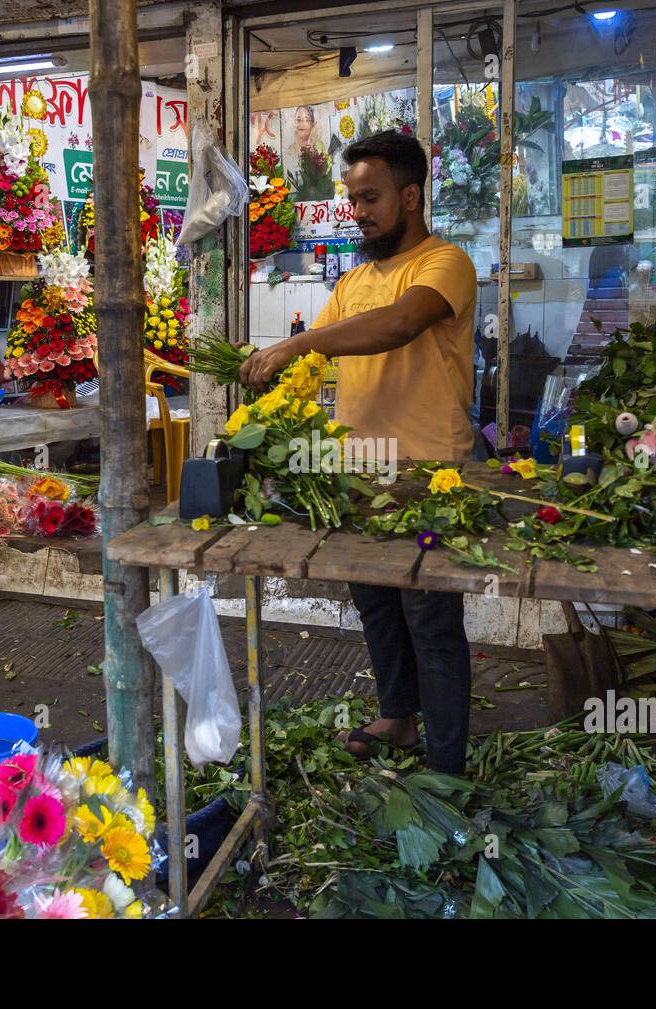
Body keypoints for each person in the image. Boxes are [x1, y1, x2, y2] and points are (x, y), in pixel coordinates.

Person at [239, 129, 479, 775]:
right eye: (352, 199)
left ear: (410, 195)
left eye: (370, 197)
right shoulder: (352, 281)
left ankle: (447, 765)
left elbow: (399, 324)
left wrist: (296, 346)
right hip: (358, 471)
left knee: (430, 617)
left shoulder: (444, 263)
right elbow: (323, 345)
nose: (358, 211)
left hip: (430, 473)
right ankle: (398, 718)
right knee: (377, 604)